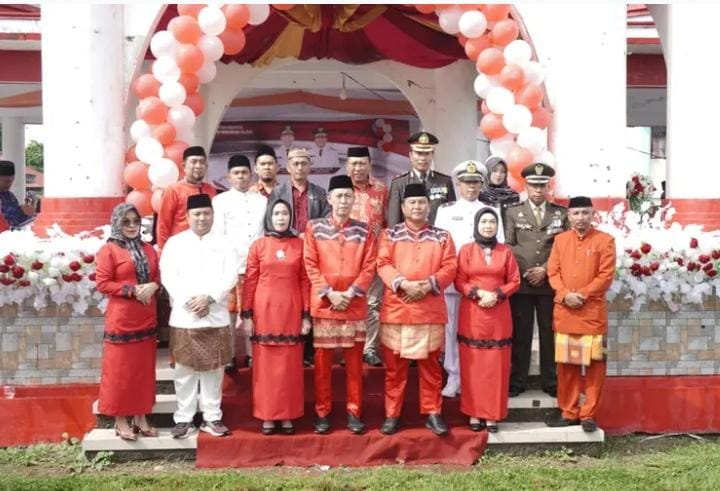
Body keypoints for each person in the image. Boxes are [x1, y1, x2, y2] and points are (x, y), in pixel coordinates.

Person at [377, 183, 457, 436]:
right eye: (412, 202)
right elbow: (382, 264)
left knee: (431, 367)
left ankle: (433, 413)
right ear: (402, 207)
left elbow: (450, 266)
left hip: (429, 308)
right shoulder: (389, 235)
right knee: (395, 368)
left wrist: (427, 285)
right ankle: (392, 414)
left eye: (422, 202)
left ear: (429, 205)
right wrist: (404, 285)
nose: (417, 207)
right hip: (398, 309)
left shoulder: (442, 236)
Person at [160, 194, 239, 439]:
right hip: (185, 316)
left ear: (213, 215)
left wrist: (209, 298)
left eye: (206, 213)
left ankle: (212, 417)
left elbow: (231, 275)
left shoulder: (226, 243)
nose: (202, 218)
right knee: (184, 369)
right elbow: (168, 276)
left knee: (214, 369)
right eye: (197, 214)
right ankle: (184, 418)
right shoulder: (175, 243)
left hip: (215, 314)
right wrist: (190, 301)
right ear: (187, 216)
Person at [303, 175, 376, 435]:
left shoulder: (365, 230)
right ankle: (323, 412)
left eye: (348, 196)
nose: (343, 200)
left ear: (354, 198)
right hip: (325, 306)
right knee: (322, 365)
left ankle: (353, 412)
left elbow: (370, 266)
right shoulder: (314, 227)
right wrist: (330, 293)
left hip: (353, 305)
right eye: (339, 196)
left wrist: (351, 292)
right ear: (329, 198)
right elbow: (310, 264)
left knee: (354, 365)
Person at [434, 160, 505, 398]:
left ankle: (476, 377)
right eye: (466, 182)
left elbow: (499, 247)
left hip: (482, 287)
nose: (471, 187)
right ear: (458, 183)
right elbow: (439, 247)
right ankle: (454, 375)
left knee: (478, 333)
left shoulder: (491, 211)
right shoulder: (446, 211)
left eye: (475, 182)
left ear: (482, 184)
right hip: (455, 284)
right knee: (452, 330)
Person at [545, 196, 616, 432]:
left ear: (593, 214)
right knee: (567, 366)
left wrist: (582, 295)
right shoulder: (560, 240)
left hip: (593, 313)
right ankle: (569, 412)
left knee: (595, 367)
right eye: (576, 213)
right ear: (568, 216)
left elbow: (606, 276)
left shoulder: (605, 241)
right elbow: (552, 272)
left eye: (585, 213)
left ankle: (589, 414)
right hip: (566, 312)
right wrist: (565, 294)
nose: (580, 218)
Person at [241, 199, 311, 435]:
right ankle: (267, 415)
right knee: (265, 368)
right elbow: (250, 281)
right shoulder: (258, 245)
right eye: (277, 213)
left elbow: (304, 281)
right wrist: (247, 314)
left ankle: (288, 414)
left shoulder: (299, 245)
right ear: (269, 217)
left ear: (291, 217)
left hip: (291, 310)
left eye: (285, 213)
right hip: (264, 311)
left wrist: (306, 316)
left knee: (289, 367)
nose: (281, 218)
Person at [95, 204, 161, 441]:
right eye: (126, 222)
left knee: (143, 371)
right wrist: (132, 290)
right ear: (117, 223)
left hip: (146, 317)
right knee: (120, 372)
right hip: (122, 319)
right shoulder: (109, 250)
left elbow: (157, 278)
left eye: (135, 221)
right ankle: (120, 419)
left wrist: (153, 286)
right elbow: (102, 283)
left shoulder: (149, 250)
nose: (132, 226)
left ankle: (141, 416)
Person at [504, 162, 569, 398]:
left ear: (548, 186)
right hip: (521, 283)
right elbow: (509, 245)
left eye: (542, 185)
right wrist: (525, 271)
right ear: (526, 186)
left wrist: (543, 269)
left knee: (549, 333)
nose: (538, 190)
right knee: (521, 333)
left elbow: (564, 248)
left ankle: (550, 380)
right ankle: (517, 379)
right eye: (533, 185)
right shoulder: (512, 212)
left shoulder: (560, 213)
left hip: (549, 282)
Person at [455, 207, 520, 433]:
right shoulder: (465, 250)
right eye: (484, 222)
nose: (488, 226)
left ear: (498, 226)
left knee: (496, 367)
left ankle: (492, 415)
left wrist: (497, 294)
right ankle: (474, 413)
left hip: (499, 315)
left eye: (492, 222)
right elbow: (459, 281)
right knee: (473, 365)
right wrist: (478, 293)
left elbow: (515, 280)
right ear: (476, 225)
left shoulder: (506, 252)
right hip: (472, 313)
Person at [268, 147, 332, 366]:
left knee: (312, 297)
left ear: (310, 166)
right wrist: (297, 235)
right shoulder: (278, 192)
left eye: (304, 163)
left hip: (315, 252)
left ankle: (309, 350)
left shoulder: (319, 192)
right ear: (287, 167)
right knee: (292, 298)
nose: (300, 167)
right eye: (295, 163)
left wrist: (310, 235)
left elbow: (327, 219)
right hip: (288, 251)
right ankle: (292, 344)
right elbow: (272, 220)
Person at [212, 154, 267, 370]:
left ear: (251, 175)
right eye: (236, 173)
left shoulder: (262, 201)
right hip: (231, 266)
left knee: (254, 312)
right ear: (228, 177)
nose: (241, 177)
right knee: (229, 313)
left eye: (245, 172)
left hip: (257, 267)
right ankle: (230, 356)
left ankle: (254, 355)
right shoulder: (220, 201)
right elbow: (217, 235)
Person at [346, 146, 388, 367]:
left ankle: (369, 348)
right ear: (347, 166)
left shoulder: (382, 189)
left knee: (373, 304)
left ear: (370, 164)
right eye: (353, 163)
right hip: (347, 259)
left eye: (362, 163)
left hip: (375, 256)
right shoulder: (341, 190)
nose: (358, 168)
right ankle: (350, 348)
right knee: (351, 303)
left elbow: (388, 224)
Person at [387, 131, 455, 227]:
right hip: (409, 239)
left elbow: (452, 217)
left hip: (439, 238)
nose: (423, 158)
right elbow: (394, 221)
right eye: (419, 153)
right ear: (411, 155)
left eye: (427, 153)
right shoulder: (399, 183)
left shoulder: (445, 182)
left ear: (432, 155)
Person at [156, 146, 217, 250]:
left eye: (202, 162)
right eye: (194, 162)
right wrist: (164, 252)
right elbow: (163, 225)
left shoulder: (211, 190)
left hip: (208, 248)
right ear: (184, 166)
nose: (198, 166)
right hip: (180, 248)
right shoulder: (173, 190)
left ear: (206, 167)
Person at [478, 156, 520, 223]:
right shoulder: (480, 195)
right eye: (494, 171)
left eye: (502, 172)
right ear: (488, 172)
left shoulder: (513, 196)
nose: (498, 174)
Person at [0, 160, 35, 230]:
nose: (9, 184)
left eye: (12, 181)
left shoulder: (10, 195)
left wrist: (27, 214)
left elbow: (18, 222)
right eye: (6, 181)